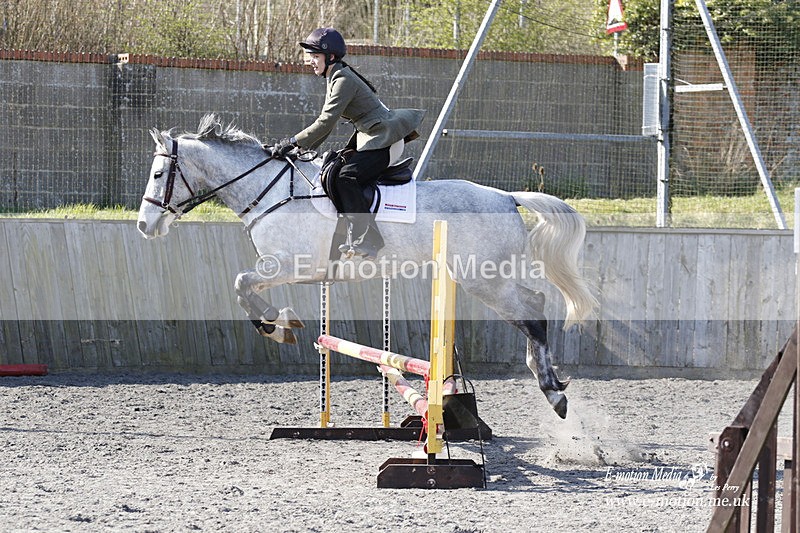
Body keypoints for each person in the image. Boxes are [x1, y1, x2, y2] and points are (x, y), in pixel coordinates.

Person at [272, 27, 425, 259]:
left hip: (386, 141)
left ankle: (370, 238)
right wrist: (301, 148)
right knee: (337, 170)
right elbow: (326, 125)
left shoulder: (342, 79)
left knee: (347, 176)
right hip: (373, 138)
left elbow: (325, 122)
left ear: (330, 57)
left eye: (315, 56)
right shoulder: (336, 75)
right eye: (310, 56)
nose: (310, 61)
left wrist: (293, 142)